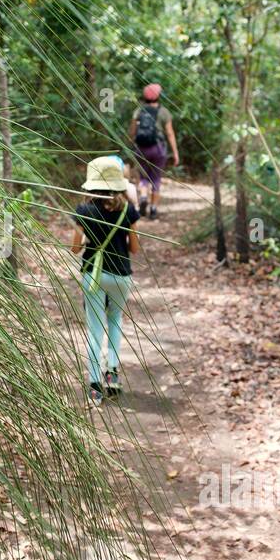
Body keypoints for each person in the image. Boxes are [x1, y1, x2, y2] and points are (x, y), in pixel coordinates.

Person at [71, 156, 140, 407]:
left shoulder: (83, 211)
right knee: (115, 320)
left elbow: (74, 248)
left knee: (94, 328)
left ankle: (94, 386)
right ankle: (112, 374)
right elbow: (134, 248)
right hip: (121, 275)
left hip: (93, 275)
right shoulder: (128, 210)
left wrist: (92, 239)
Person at [128, 83, 180, 219]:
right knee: (156, 178)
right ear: (159, 96)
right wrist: (175, 153)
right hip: (158, 149)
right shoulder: (164, 112)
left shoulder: (139, 111)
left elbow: (132, 131)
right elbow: (169, 133)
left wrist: (131, 144)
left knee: (143, 176)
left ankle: (144, 197)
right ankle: (154, 209)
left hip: (142, 148)